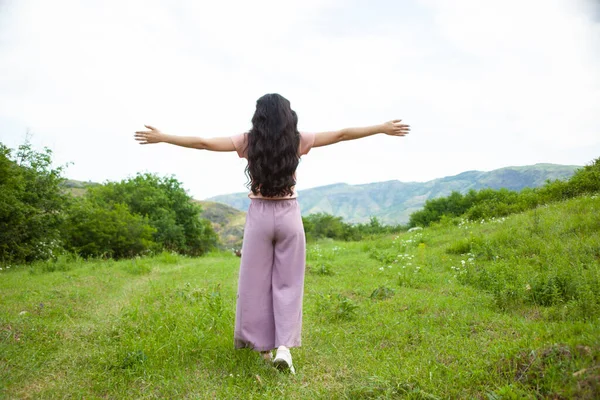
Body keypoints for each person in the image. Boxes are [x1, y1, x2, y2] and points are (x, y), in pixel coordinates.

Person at [134, 93, 410, 374]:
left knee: (255, 285)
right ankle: (284, 348)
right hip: (289, 215)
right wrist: (381, 127)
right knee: (289, 283)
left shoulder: (248, 141)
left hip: (260, 218)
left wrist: (164, 137)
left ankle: (263, 349)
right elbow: (341, 134)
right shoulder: (298, 139)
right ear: (288, 115)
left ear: (259, 117)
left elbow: (204, 144)